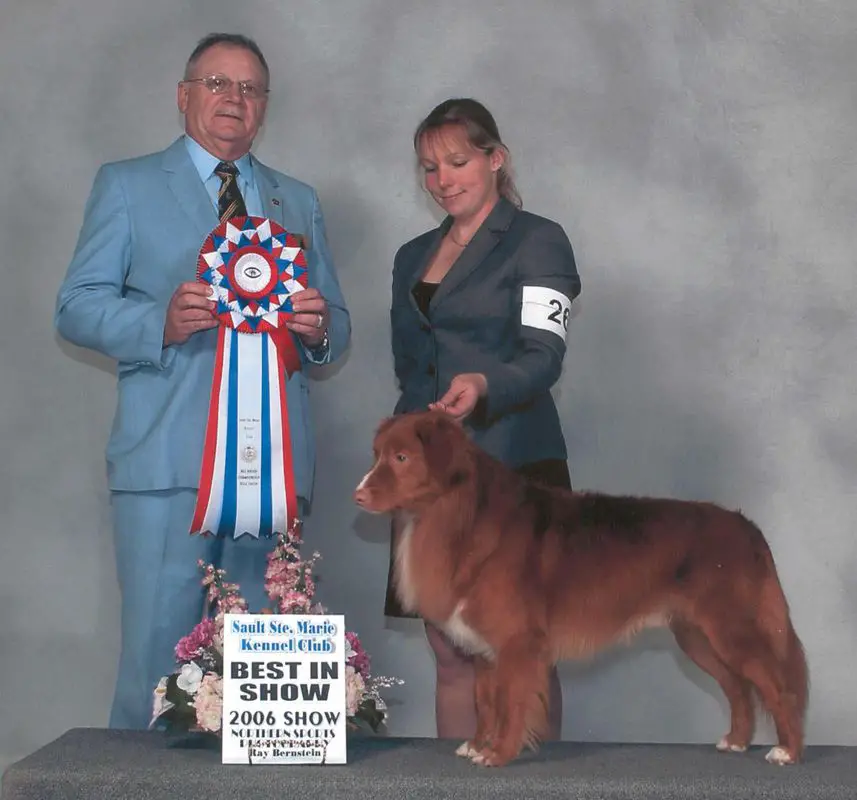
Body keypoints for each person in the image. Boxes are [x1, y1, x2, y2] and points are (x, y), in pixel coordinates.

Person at [55, 33, 350, 730]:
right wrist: (157, 321)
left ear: (264, 107)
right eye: (217, 83)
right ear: (183, 95)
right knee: (156, 670)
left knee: (260, 683)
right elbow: (76, 306)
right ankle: (129, 781)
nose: (233, 99)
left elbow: (336, 324)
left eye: (249, 88)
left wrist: (316, 329)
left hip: (273, 472)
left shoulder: (296, 199)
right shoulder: (125, 184)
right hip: (166, 468)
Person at [385, 98, 581, 741]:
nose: (443, 180)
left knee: (521, 644)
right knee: (449, 652)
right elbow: (410, 367)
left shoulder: (538, 239)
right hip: (429, 480)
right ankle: (453, 781)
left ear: (496, 159)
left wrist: (482, 385)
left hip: (513, 466)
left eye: (458, 161)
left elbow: (544, 357)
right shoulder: (411, 255)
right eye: (429, 168)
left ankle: (535, 782)